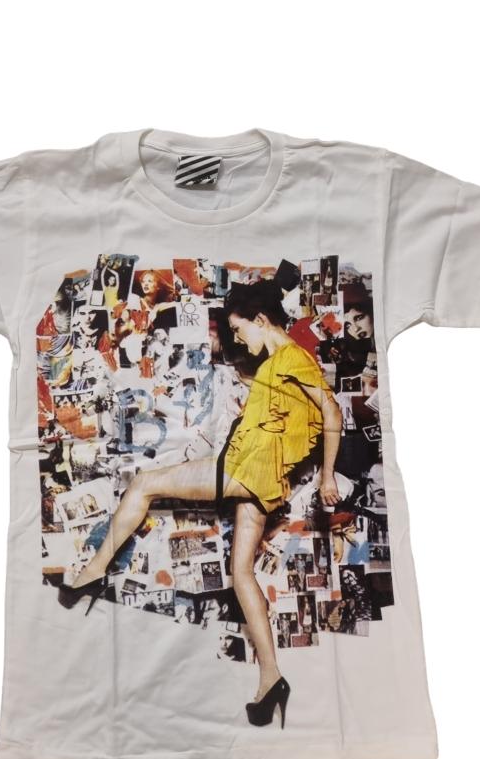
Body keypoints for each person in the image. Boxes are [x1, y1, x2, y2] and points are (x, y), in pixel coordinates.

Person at [58, 278, 343, 728]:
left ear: (261, 320)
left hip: (246, 470)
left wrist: (327, 476)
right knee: (241, 573)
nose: (238, 339)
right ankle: (271, 678)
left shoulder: (291, 358)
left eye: (239, 329)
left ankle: (93, 572)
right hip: (266, 481)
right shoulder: (279, 364)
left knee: (144, 484)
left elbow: (332, 411)